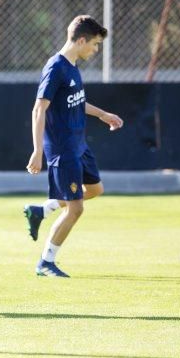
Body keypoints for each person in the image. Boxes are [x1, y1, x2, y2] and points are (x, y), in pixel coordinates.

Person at [23, 15, 123, 278]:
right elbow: (38, 109)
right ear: (81, 40)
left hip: (79, 145)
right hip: (63, 149)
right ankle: (46, 262)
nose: (96, 49)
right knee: (76, 208)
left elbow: (76, 102)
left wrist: (102, 114)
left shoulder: (73, 66)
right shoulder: (55, 68)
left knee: (95, 189)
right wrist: (37, 150)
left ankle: (42, 210)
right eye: (94, 44)